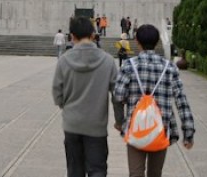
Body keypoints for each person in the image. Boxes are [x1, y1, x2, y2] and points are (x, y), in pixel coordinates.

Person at [113, 24, 195, 177]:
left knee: (135, 173)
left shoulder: (129, 66)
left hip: (135, 127)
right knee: (155, 173)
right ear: (157, 43)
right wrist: (188, 133)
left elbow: (118, 96)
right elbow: (181, 102)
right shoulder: (169, 67)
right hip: (161, 128)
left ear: (137, 41)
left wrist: (120, 121)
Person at [52, 16, 123, 177]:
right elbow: (117, 95)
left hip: (72, 124)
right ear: (93, 35)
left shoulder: (64, 61)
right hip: (96, 126)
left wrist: (67, 107)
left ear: (72, 36)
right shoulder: (107, 61)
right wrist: (120, 121)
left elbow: (57, 93)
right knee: (97, 170)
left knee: (74, 170)